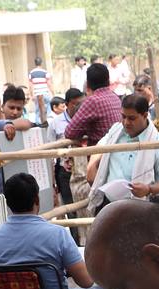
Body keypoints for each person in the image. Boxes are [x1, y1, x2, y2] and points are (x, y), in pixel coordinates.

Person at [85, 94, 159, 210]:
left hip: (141, 208)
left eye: (131, 118)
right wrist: (92, 166)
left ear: (144, 115)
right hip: (108, 205)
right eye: (123, 116)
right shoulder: (115, 132)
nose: (126, 122)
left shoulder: (158, 143)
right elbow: (100, 147)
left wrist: (148, 189)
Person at [65, 63, 124, 215]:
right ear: (108, 79)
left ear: (88, 83)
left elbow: (70, 132)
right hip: (119, 160)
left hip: (101, 164)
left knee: (103, 212)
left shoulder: (93, 101)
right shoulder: (115, 97)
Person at [29, 57, 53, 122]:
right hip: (45, 93)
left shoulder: (31, 73)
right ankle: (48, 119)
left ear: (35, 63)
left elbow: (30, 85)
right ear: (41, 63)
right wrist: (53, 93)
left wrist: (32, 95)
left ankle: (37, 123)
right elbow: (49, 84)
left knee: (37, 110)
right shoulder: (45, 72)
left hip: (37, 94)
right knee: (49, 106)